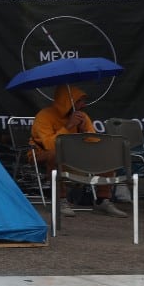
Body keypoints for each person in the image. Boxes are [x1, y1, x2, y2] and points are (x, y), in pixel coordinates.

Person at [30, 84, 124, 218]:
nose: (84, 105)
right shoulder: (44, 116)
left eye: (83, 101)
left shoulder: (83, 116)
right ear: (67, 102)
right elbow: (49, 145)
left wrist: (85, 130)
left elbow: (96, 143)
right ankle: (60, 200)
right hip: (43, 153)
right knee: (56, 154)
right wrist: (69, 126)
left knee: (106, 154)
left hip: (75, 155)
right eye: (79, 101)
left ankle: (103, 200)